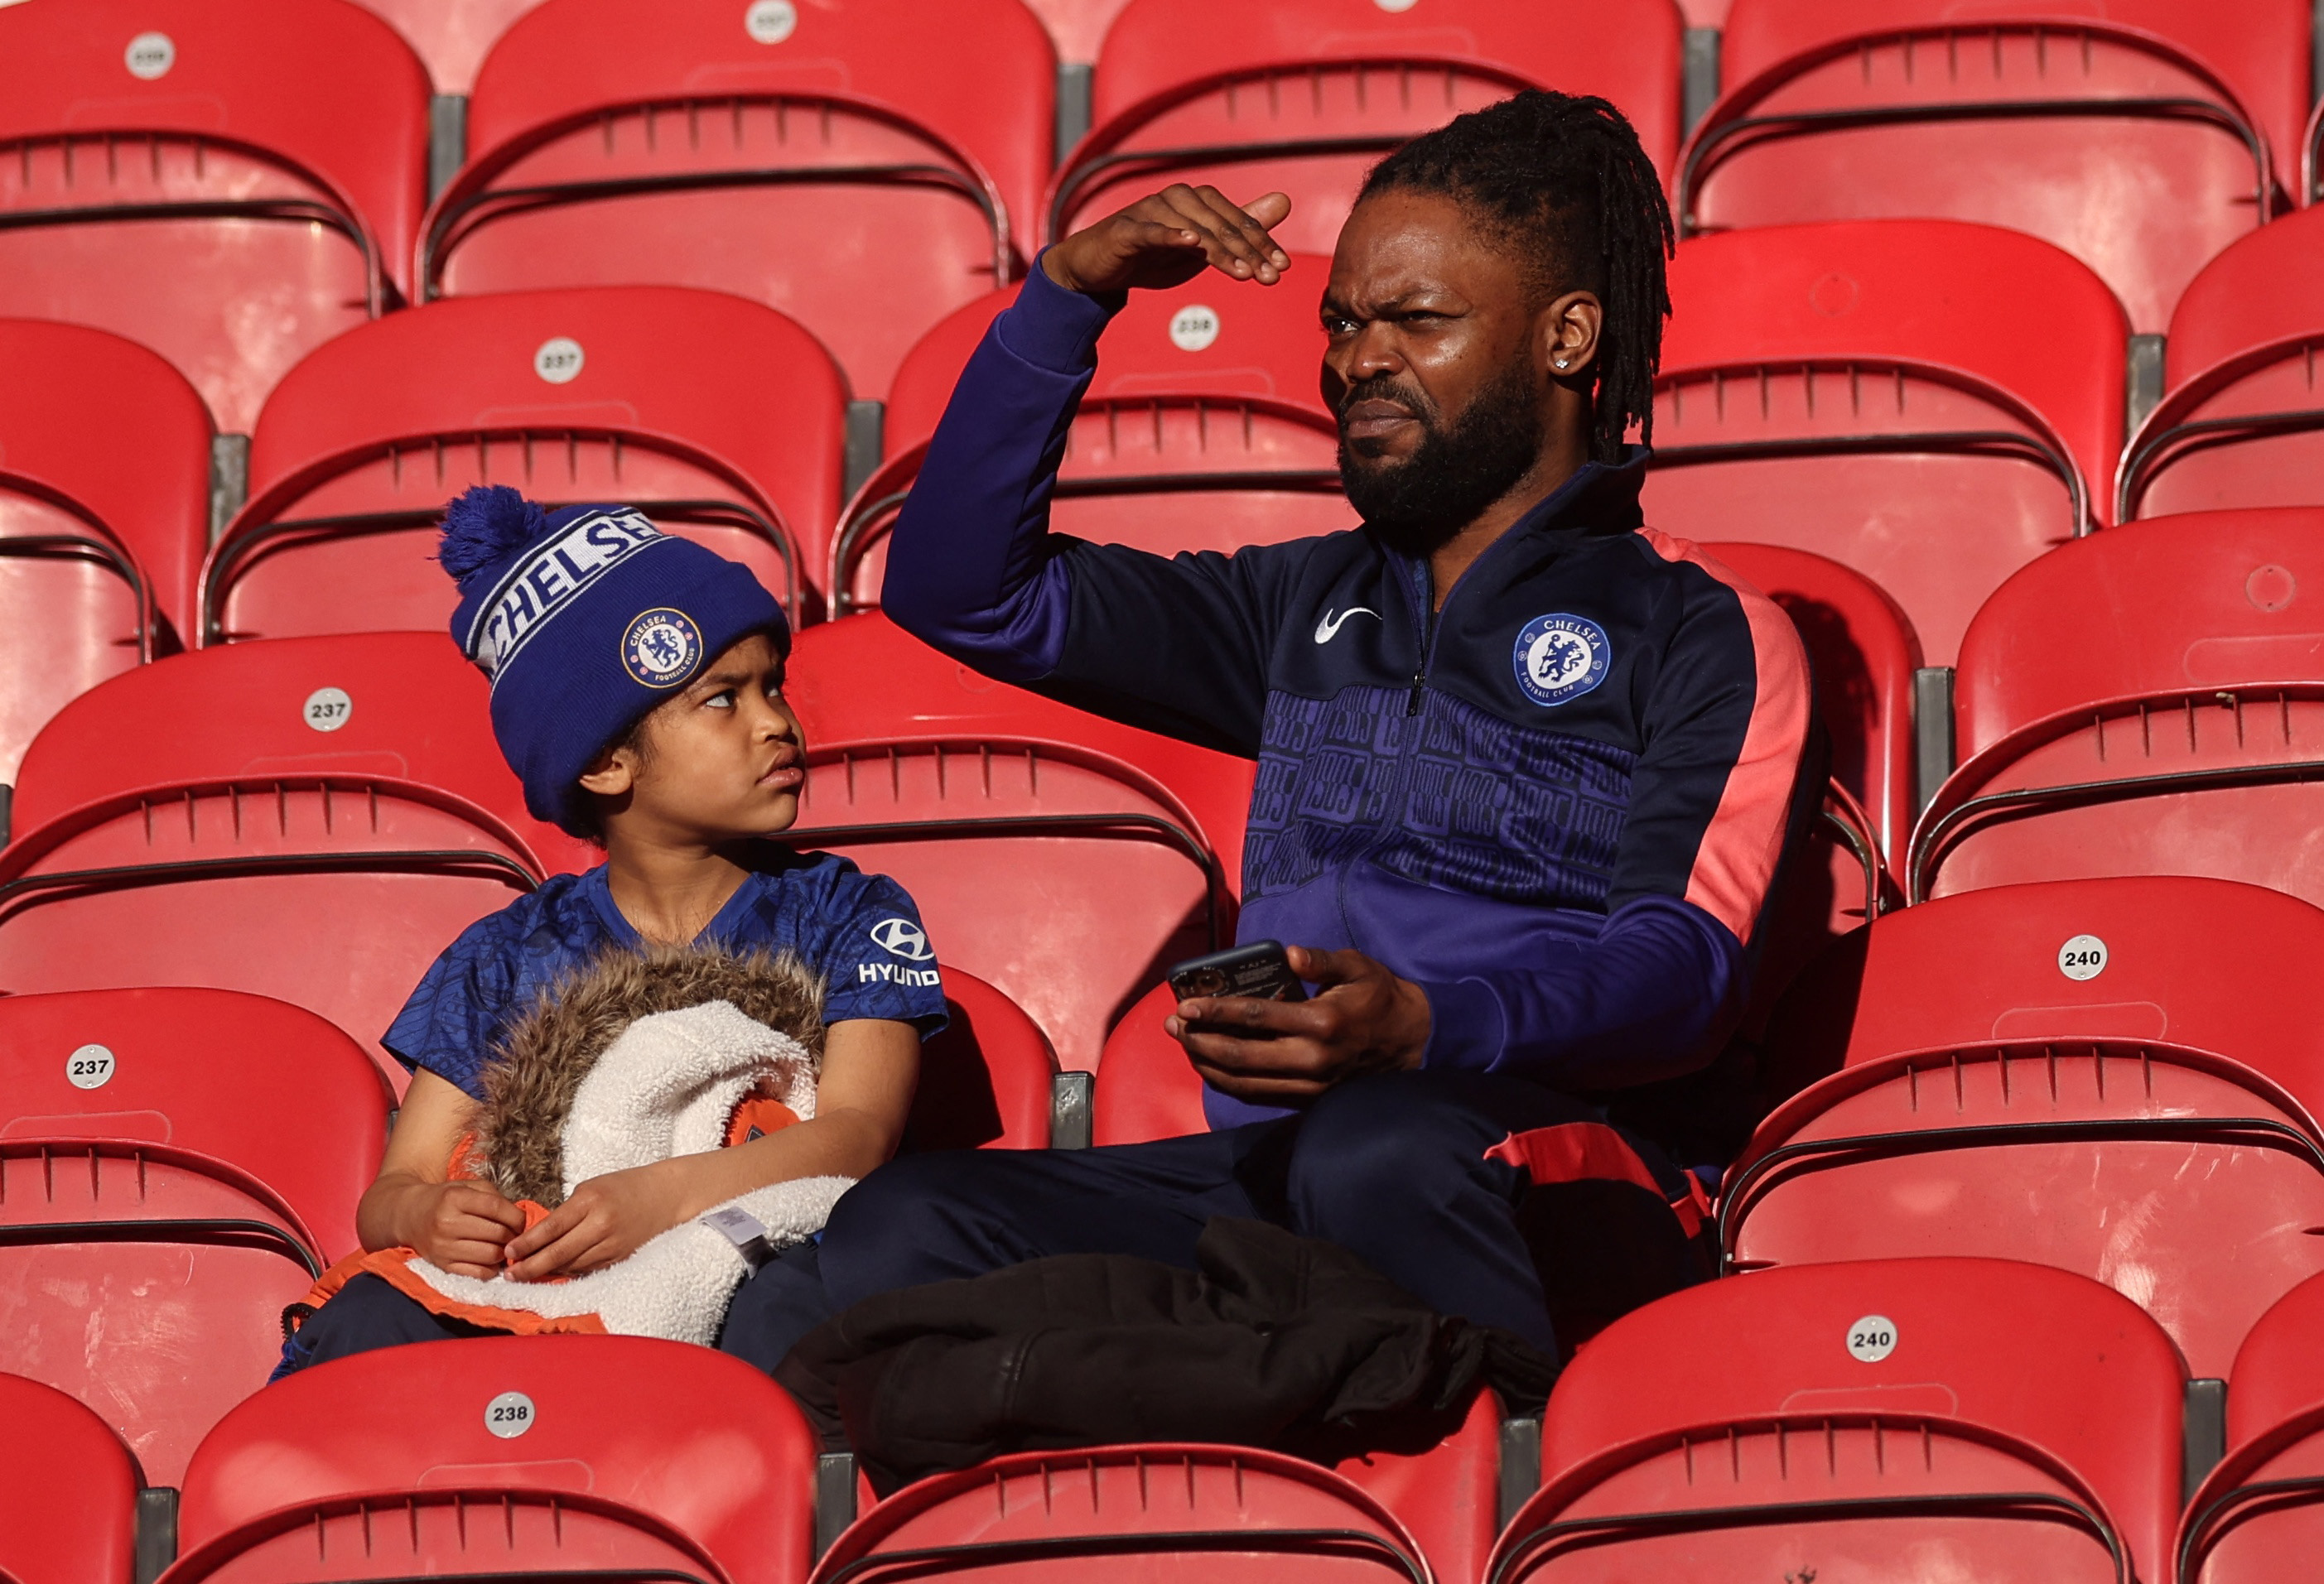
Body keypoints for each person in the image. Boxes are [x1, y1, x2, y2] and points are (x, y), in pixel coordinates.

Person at [806, 89, 1820, 1364]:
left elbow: (1684, 975)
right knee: (905, 1225)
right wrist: (1069, 293)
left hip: (1547, 1165)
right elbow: (960, 589)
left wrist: (1427, 1025)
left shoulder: (1705, 630)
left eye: (1416, 319)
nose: (1353, 360)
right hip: (1276, 1172)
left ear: (1566, 338)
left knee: (1376, 1149)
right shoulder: (1294, 604)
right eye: (1342, 321)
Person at [274, 486, 946, 1375]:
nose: (777, 721)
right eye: (722, 698)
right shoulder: (504, 954)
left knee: (782, 1314)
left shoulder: (850, 912)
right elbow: (396, 1186)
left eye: (772, 686)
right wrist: (426, 1217)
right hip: (538, 1273)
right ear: (602, 760)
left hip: (748, 1252)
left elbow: (860, 1135)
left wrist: (663, 1197)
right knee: (366, 1322)